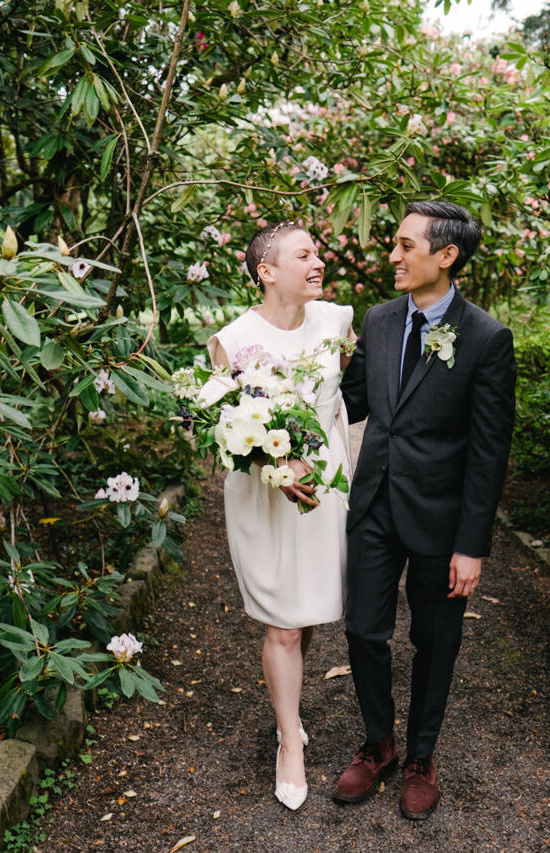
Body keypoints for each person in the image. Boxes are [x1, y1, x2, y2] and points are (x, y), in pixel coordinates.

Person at [334, 200, 516, 819]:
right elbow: (348, 403)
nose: (392, 256)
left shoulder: (488, 338)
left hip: (442, 519)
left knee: (436, 641)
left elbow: (490, 451)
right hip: (375, 506)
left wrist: (472, 546)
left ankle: (421, 755)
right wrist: (277, 394)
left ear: (446, 256)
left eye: (406, 246)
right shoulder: (379, 321)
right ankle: (379, 742)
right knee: (363, 629)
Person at [207, 220, 355, 811]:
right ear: (267, 272)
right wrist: (273, 457)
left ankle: (286, 710)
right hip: (264, 492)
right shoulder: (232, 340)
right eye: (304, 255)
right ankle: (289, 738)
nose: (319, 262)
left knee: (311, 608)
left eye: (318, 252)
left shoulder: (336, 321)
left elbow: (350, 395)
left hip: (325, 486)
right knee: (284, 622)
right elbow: (219, 425)